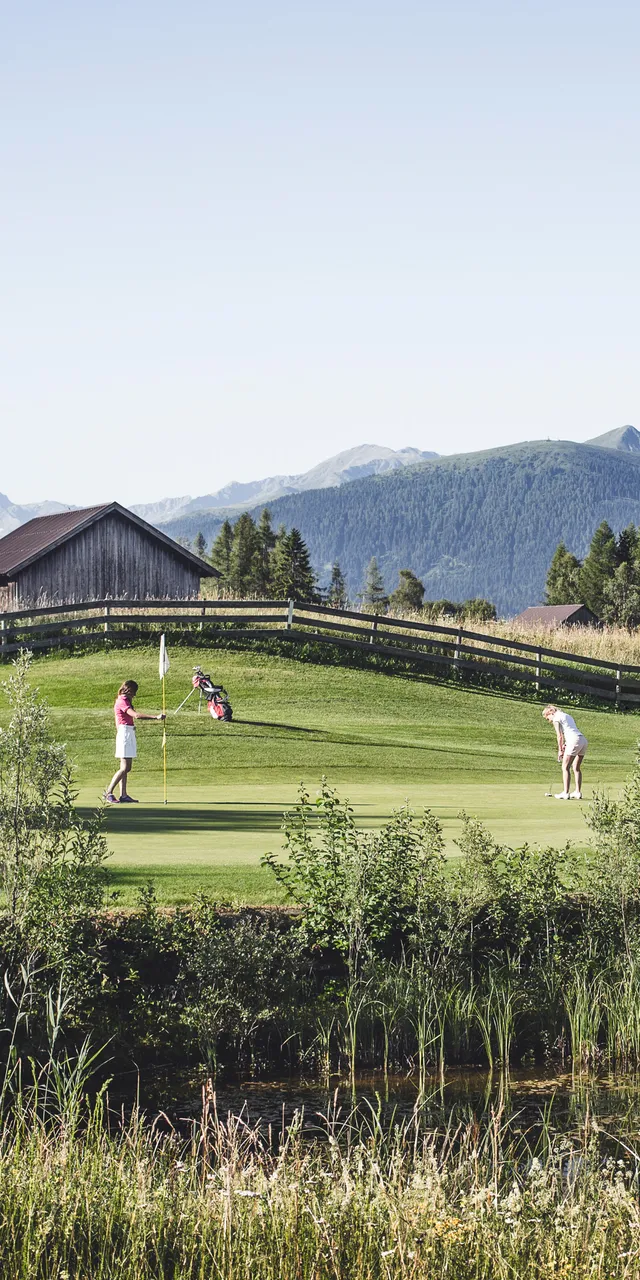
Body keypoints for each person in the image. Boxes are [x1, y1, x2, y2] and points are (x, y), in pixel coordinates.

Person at [105, 680, 165, 804]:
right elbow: (135, 715)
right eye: (134, 692)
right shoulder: (122, 701)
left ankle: (123, 795)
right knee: (125, 767)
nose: (134, 695)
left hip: (128, 731)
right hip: (125, 733)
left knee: (126, 768)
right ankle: (108, 792)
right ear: (129, 690)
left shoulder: (125, 700)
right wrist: (156, 717)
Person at [542, 704, 588, 800]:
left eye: (547, 718)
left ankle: (565, 793)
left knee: (565, 767)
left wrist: (560, 750)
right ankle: (577, 792)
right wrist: (566, 743)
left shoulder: (556, 718)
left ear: (550, 712)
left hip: (574, 740)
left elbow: (560, 736)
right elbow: (570, 730)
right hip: (582, 740)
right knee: (576, 767)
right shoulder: (567, 715)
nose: (549, 721)